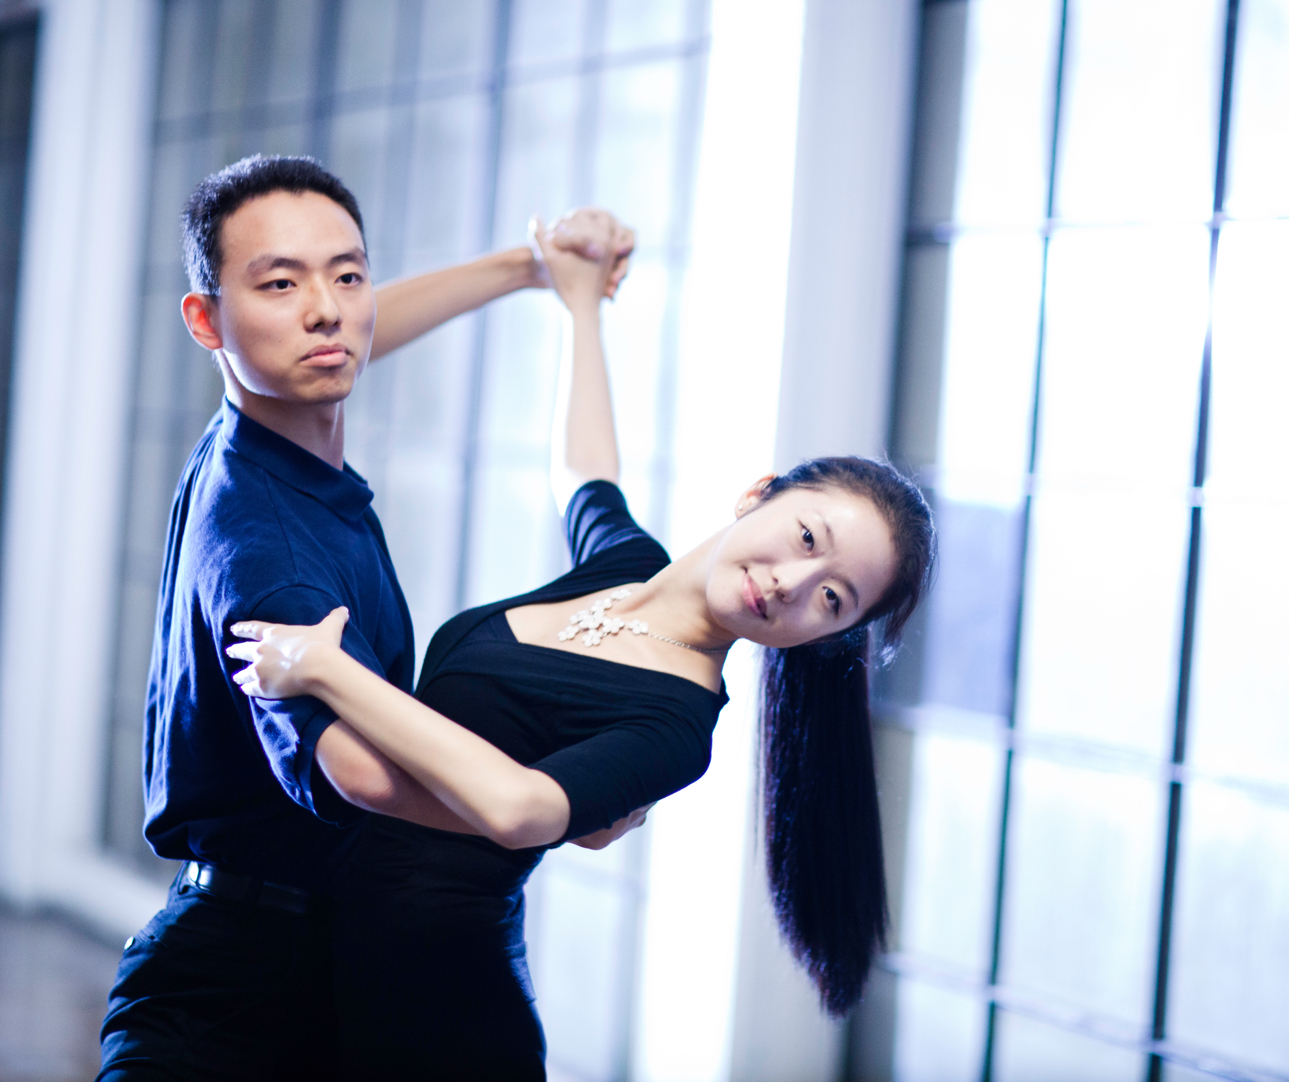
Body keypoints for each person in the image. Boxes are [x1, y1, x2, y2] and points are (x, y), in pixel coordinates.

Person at [226, 216, 937, 1077]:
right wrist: (579, 301)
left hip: (438, 1006)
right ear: (760, 494)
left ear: (827, 635)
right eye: (806, 537)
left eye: (832, 598)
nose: (791, 581)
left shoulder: (677, 724)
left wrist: (326, 671)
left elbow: (522, 808)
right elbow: (585, 468)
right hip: (317, 954)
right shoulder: (621, 567)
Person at [98, 153, 635, 1082]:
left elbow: (340, 332)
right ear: (205, 320)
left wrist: (532, 265)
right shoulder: (271, 546)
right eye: (279, 282)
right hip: (235, 995)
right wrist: (553, 800)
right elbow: (355, 772)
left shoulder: (266, 423)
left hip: (348, 961)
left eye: (347, 275)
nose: (326, 310)